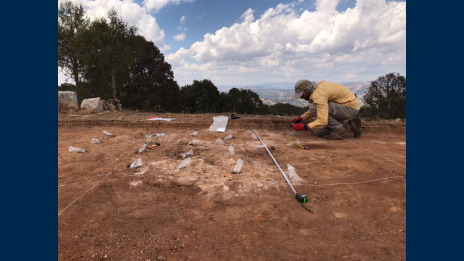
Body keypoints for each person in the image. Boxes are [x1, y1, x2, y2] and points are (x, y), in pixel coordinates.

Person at [290, 79, 362, 139]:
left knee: (313, 107)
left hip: (350, 108)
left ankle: (339, 128)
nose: (301, 97)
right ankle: (350, 124)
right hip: (343, 108)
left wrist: (304, 126)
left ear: (307, 90)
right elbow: (318, 109)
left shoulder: (319, 94)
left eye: (302, 94)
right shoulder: (315, 91)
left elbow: (322, 121)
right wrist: (302, 118)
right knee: (317, 132)